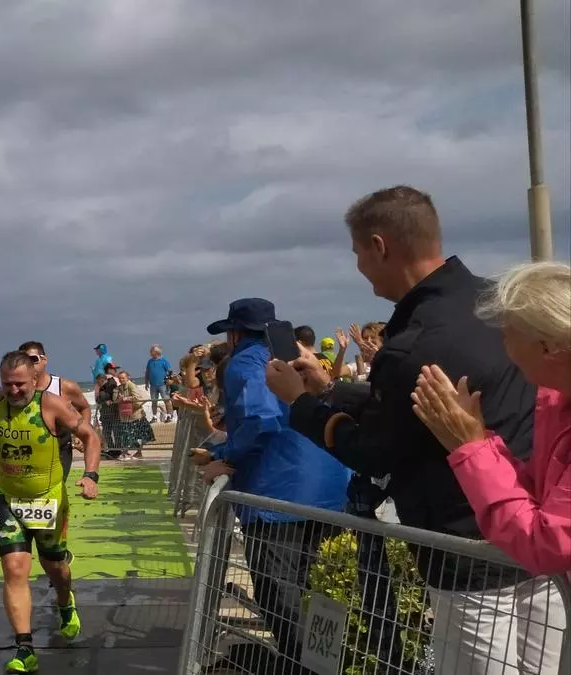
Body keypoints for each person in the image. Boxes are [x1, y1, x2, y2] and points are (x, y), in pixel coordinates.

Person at [264, 186, 546, 675]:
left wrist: (301, 403)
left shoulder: (413, 342)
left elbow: (373, 450)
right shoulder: (500, 304)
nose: (359, 266)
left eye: (358, 253)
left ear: (380, 246)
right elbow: (410, 407)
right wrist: (331, 389)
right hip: (538, 535)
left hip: (467, 554)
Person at [195, 298, 351, 672]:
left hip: (277, 496)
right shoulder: (297, 356)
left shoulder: (244, 363)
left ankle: (302, 668)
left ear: (234, 335)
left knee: (280, 595)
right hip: (331, 488)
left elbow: (259, 419)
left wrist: (226, 457)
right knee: (322, 595)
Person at [0, 317, 102, 675]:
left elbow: (91, 436)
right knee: (15, 569)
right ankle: (25, 647)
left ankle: (65, 601)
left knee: (55, 567)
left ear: (34, 379)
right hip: (8, 500)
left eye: (20, 384)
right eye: (8, 384)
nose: (13, 391)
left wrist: (90, 475)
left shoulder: (51, 405)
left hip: (48, 500)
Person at [412, 261, 570, 578]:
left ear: (547, 346)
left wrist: (470, 449)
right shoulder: (558, 403)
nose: (503, 346)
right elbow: (540, 495)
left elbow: (546, 544)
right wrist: (478, 443)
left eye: (508, 334)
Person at [19, 341, 93, 482]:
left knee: (55, 487)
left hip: (60, 448)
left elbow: (84, 407)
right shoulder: (17, 390)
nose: (29, 364)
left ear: (44, 360)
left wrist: (81, 433)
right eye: (23, 360)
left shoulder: (64, 387)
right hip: (28, 449)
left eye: (33, 359)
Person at [144, 345, 173, 422]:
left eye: (151, 350)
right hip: (153, 385)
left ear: (156, 352)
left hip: (163, 384)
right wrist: (146, 382)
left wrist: (168, 381)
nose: (150, 352)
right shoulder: (150, 361)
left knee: (166, 400)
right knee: (154, 401)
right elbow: (147, 372)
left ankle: (169, 415)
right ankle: (154, 417)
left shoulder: (164, 360)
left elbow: (170, 371)